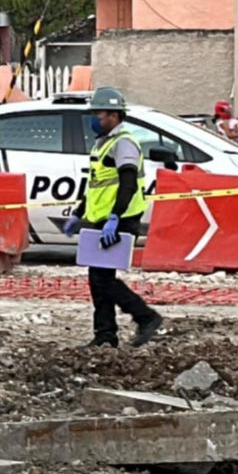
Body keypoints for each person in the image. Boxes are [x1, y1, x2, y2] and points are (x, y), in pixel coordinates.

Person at [62, 87, 165, 349]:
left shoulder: (124, 143)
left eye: (98, 113)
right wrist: (79, 213)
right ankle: (106, 334)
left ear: (114, 115)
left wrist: (115, 218)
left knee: (102, 278)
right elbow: (97, 184)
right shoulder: (103, 143)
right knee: (98, 278)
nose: (93, 119)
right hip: (104, 220)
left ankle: (145, 317)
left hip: (120, 219)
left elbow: (128, 183)